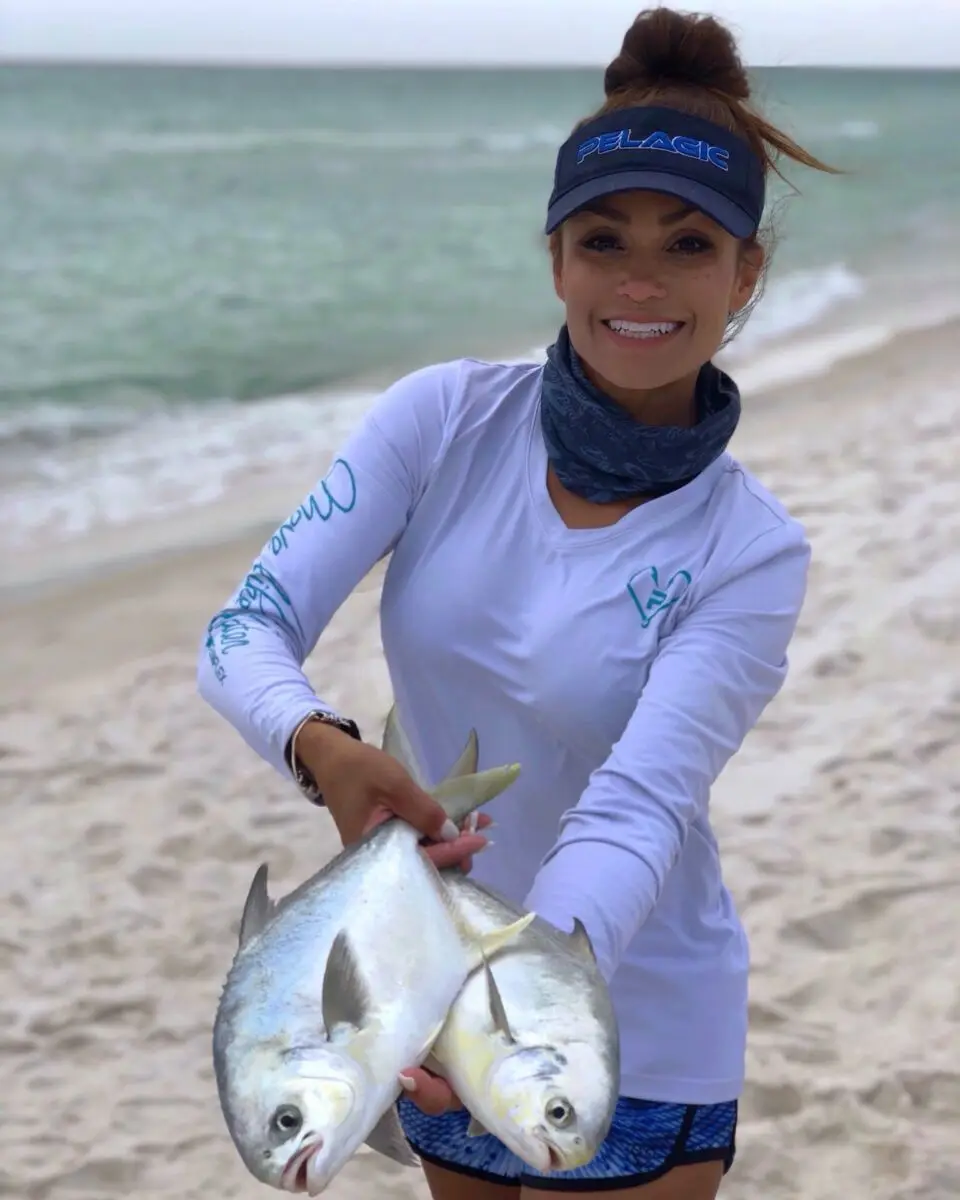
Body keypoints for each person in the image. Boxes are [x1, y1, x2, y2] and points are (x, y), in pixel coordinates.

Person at [197, 7, 838, 1198]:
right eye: (603, 239)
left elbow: (637, 810)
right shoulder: (440, 421)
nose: (640, 280)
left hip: (622, 1017)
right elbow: (244, 631)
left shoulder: (751, 552)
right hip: (421, 988)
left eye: (688, 244)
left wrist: (513, 996)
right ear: (556, 260)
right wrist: (322, 748)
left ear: (745, 273)